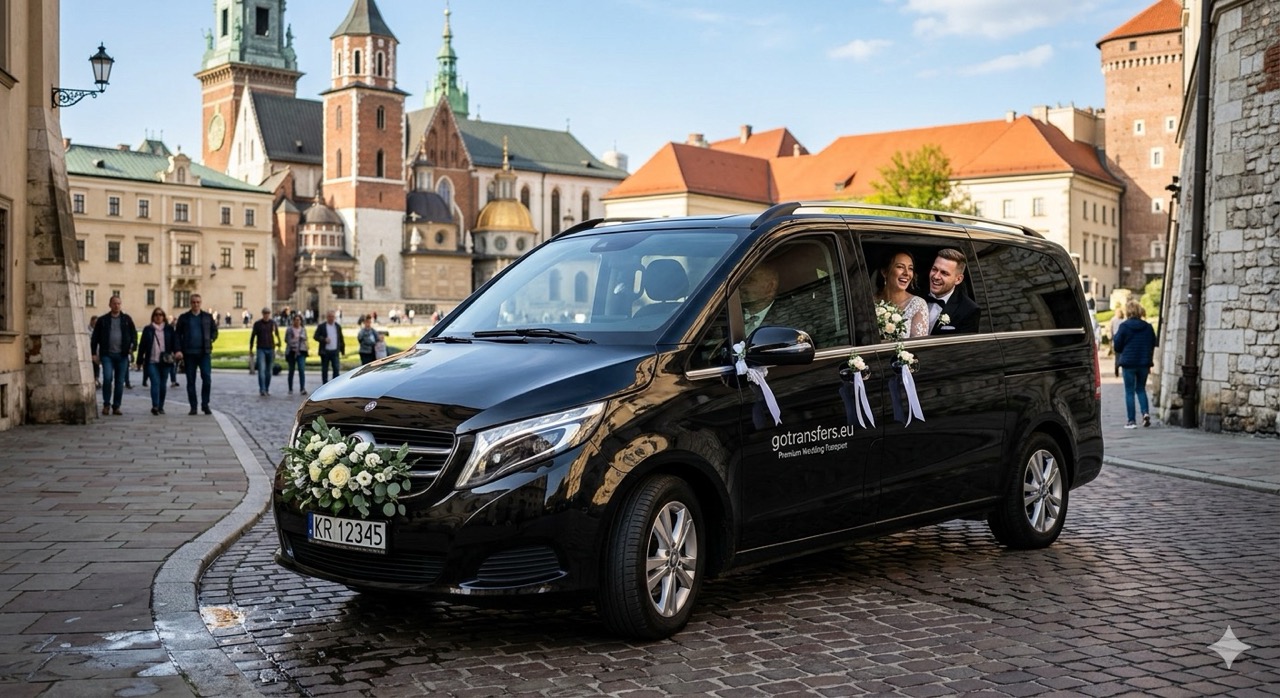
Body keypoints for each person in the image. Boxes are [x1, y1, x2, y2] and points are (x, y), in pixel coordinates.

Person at [89, 295, 137, 416]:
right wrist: (93, 353)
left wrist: (133, 347)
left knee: (120, 382)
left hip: (122, 355)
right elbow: (95, 338)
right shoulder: (103, 320)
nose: (117, 306)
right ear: (110, 305)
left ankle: (116, 406)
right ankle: (106, 404)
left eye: (119, 304)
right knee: (107, 378)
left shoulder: (126, 319)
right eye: (114, 303)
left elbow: (134, 334)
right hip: (107, 355)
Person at [1113, 299, 1156, 429]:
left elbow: (1117, 346)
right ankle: (1145, 413)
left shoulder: (1124, 326)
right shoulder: (1148, 327)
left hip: (1128, 363)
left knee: (1129, 391)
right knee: (1141, 389)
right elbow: (1153, 343)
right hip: (1143, 363)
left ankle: (1131, 421)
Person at [174, 294, 219, 415]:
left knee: (207, 379)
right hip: (189, 353)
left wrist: (210, 339)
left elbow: (215, 331)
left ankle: (205, 404)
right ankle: (193, 406)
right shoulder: (184, 318)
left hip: (204, 353)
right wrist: (178, 350)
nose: (196, 304)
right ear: (190, 303)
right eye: (193, 302)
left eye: (198, 302)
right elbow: (177, 335)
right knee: (191, 381)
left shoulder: (207, 317)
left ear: (201, 303)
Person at [873, 251, 929, 338]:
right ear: (885, 272)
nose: (906, 273)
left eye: (910, 268)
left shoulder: (918, 304)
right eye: (900, 267)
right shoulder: (870, 302)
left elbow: (918, 348)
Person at [924, 247, 980, 334]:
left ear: (958, 279)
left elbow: (963, 347)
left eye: (944, 273)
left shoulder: (969, 310)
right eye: (934, 269)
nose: (936, 276)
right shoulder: (915, 295)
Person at [136, 307, 177, 415]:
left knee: (163, 384)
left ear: (164, 317)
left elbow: (174, 342)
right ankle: (155, 405)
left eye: (160, 315)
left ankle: (161, 406)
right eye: (156, 315)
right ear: (153, 317)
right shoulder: (148, 329)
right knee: (155, 382)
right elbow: (142, 346)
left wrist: (176, 352)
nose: (158, 317)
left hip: (165, 361)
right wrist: (139, 361)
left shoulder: (169, 329)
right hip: (152, 360)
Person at [249, 307, 281, 396]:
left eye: (268, 313)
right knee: (261, 370)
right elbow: (253, 337)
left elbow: (277, 335)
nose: (266, 315)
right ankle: (262, 389)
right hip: (261, 349)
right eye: (265, 313)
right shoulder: (257, 324)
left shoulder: (272, 323)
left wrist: (279, 344)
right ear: (262, 314)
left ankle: (266, 388)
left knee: (269, 371)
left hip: (270, 348)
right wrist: (251, 349)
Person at [313, 309, 345, 384]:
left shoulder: (337, 326)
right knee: (325, 369)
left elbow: (341, 338)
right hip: (325, 352)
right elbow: (315, 336)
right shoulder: (322, 326)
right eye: (329, 316)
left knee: (336, 369)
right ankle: (325, 384)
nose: (331, 318)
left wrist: (342, 350)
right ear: (327, 317)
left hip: (335, 351)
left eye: (332, 316)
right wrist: (324, 339)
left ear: (334, 317)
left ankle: (335, 385)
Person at [284, 314, 310, 395]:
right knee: (291, 371)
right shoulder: (289, 330)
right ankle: (290, 388)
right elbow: (286, 340)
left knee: (301, 370)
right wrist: (294, 342)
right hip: (291, 352)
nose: (297, 321)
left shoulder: (303, 330)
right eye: (295, 320)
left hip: (301, 352)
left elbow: (306, 338)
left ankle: (302, 388)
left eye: (298, 320)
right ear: (293, 321)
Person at [1108, 305, 1126, 377]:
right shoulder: (1124, 320)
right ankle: (1120, 367)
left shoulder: (1113, 319)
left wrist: (1111, 337)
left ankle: (1117, 368)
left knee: (1117, 355)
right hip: (1123, 339)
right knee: (1122, 355)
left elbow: (1110, 329)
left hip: (1116, 338)